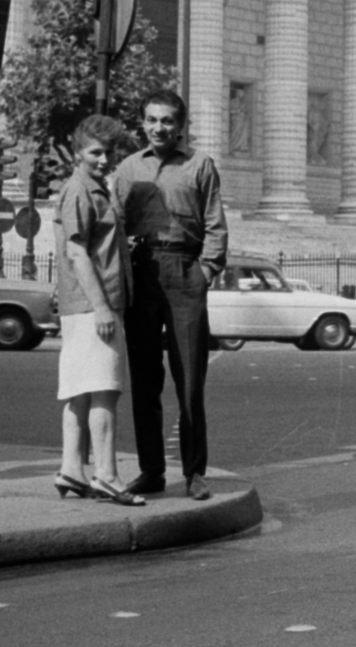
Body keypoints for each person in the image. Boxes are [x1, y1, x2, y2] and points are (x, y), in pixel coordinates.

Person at [114, 90, 227, 501]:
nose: (158, 127)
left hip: (185, 272)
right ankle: (151, 472)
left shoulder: (200, 165)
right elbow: (115, 221)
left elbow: (215, 223)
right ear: (142, 123)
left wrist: (207, 271)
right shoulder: (128, 168)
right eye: (151, 119)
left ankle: (195, 473)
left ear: (180, 126)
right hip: (142, 274)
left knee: (190, 380)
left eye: (167, 121)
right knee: (144, 381)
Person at [51, 115, 142, 506]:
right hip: (93, 306)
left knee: (80, 392)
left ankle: (72, 469)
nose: (105, 159)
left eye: (110, 152)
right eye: (96, 152)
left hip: (81, 305)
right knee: (106, 389)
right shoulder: (79, 191)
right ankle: (106, 474)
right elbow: (77, 252)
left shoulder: (90, 189)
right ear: (77, 153)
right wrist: (103, 307)